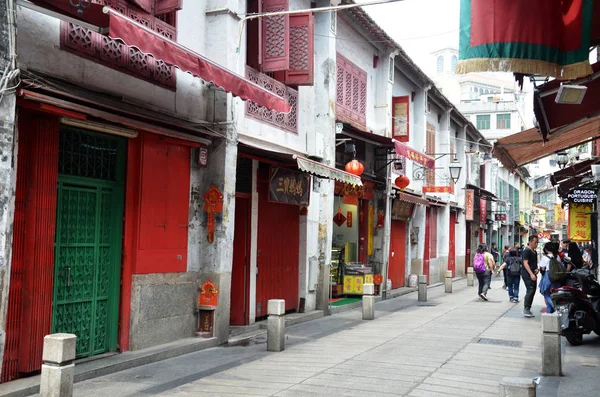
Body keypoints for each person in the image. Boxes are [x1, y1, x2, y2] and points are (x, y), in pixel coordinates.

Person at [538, 242, 564, 313]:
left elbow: (542, 269)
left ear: (546, 249)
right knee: (553, 294)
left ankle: (556, 308)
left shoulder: (545, 257)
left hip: (548, 277)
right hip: (557, 277)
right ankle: (549, 312)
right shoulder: (557, 257)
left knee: (546, 294)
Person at [521, 235, 539, 318]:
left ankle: (528, 307)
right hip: (527, 274)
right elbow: (525, 263)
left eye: (537, 242)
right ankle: (526, 308)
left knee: (533, 290)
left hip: (533, 273)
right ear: (530, 241)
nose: (536, 244)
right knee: (530, 289)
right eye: (535, 242)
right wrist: (531, 274)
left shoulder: (535, 252)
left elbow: (534, 263)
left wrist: (536, 269)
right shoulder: (527, 251)